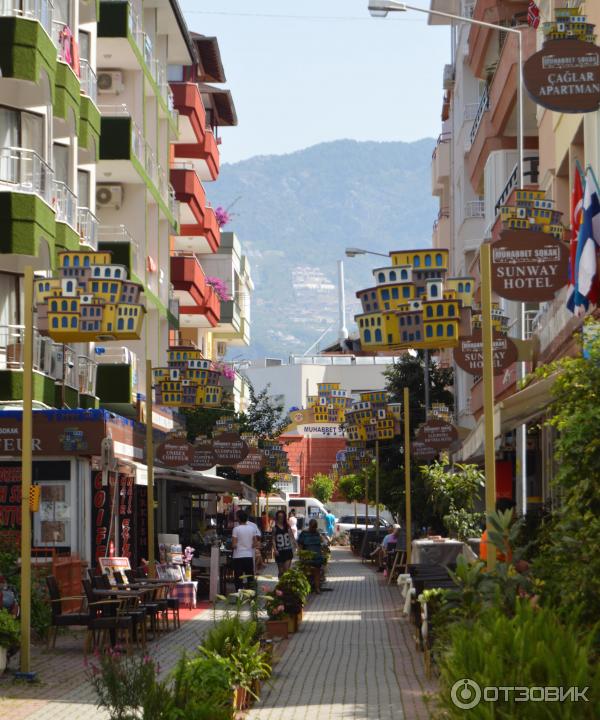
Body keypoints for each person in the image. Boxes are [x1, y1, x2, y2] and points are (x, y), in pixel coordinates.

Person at [480, 498, 516, 564]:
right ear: (506, 514)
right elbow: (507, 561)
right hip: (496, 572)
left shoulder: (490, 531)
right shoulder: (499, 534)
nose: (515, 516)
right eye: (513, 513)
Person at [232, 510, 259, 590]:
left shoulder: (236, 529)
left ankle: (239, 595)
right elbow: (255, 543)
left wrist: (239, 545)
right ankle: (251, 595)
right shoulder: (252, 529)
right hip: (249, 556)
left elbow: (234, 545)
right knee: (250, 577)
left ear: (238, 519)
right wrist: (249, 546)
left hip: (238, 556)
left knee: (238, 578)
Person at [298, 519, 325, 594]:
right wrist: (300, 555)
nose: (313, 528)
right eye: (312, 527)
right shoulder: (304, 533)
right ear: (309, 525)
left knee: (317, 573)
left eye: (315, 527)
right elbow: (300, 544)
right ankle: (306, 589)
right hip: (307, 557)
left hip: (317, 556)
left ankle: (317, 588)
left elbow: (323, 543)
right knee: (306, 573)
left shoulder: (317, 533)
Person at [273, 509, 296, 577]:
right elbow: (273, 539)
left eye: (282, 517)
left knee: (286, 570)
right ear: (277, 518)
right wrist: (275, 549)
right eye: (279, 517)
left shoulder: (288, 527)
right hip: (279, 552)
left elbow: (292, 537)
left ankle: (285, 586)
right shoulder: (275, 528)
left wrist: (296, 545)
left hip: (287, 551)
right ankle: (281, 584)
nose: (281, 518)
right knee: (281, 571)